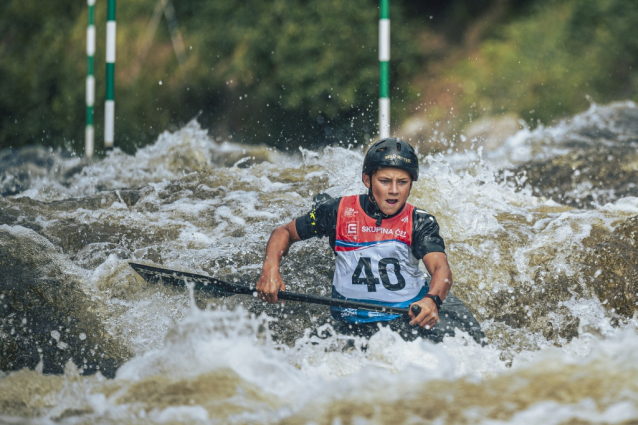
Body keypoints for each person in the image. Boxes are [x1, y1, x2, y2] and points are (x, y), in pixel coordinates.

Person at [256, 138, 455, 342]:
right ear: (367, 180)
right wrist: (270, 269)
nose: (394, 190)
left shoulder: (420, 221)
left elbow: (441, 269)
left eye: (402, 182)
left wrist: (432, 300)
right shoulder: (337, 211)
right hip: (347, 322)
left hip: (405, 319)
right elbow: (284, 232)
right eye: (385, 181)